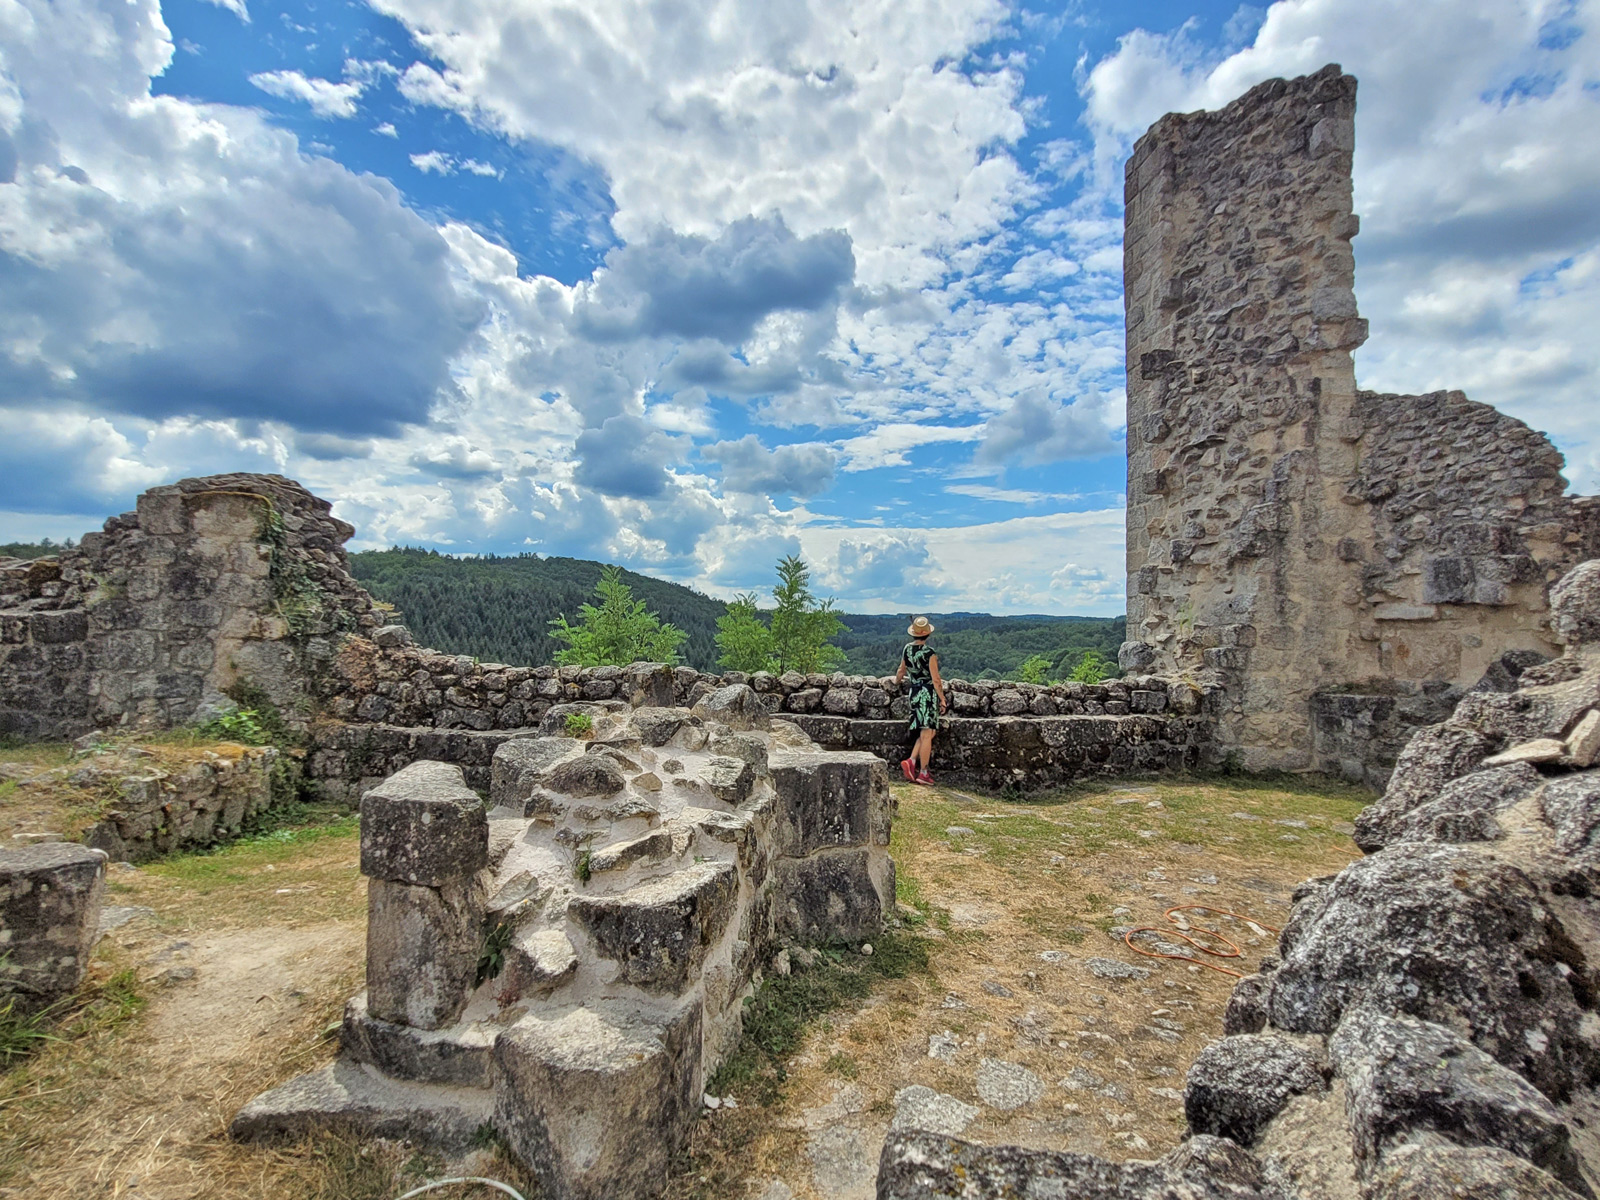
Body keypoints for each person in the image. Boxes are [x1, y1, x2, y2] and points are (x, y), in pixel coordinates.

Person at [896, 615, 948, 785]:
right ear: (927, 634)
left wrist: (896, 682)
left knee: (928, 732)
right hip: (927, 693)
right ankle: (923, 772)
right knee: (927, 733)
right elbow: (936, 680)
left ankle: (911, 760)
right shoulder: (929, 653)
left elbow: (901, 671)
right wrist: (942, 699)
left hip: (915, 692)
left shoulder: (907, 649)